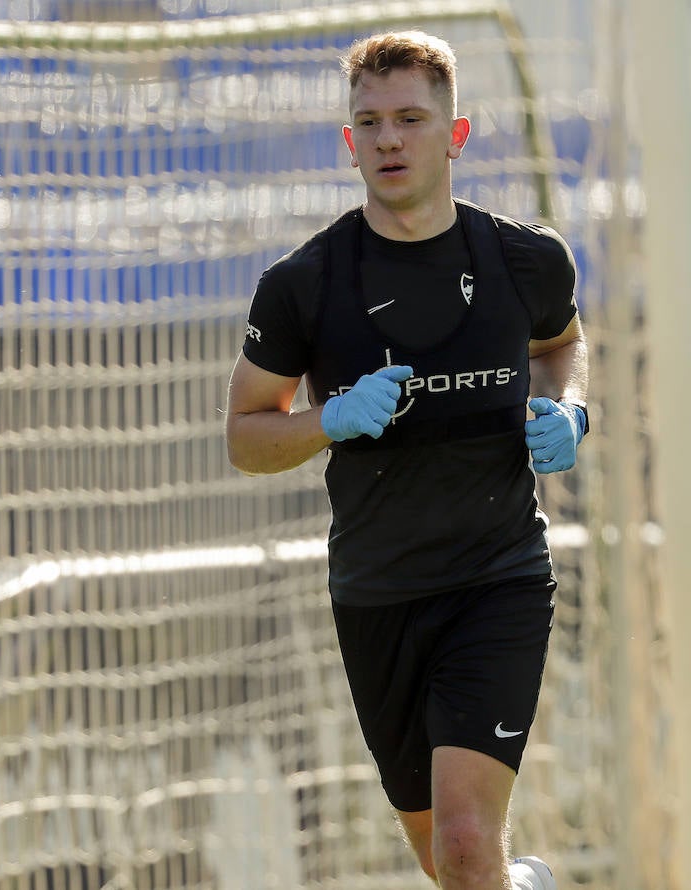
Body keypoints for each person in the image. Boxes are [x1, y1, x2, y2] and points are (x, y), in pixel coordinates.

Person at [224, 30, 588, 890]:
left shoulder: (527, 258)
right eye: (371, 122)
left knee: (466, 846)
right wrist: (330, 419)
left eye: (412, 118)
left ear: (454, 136)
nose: (390, 138)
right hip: (378, 597)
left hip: (498, 579)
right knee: (451, 866)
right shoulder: (302, 284)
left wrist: (572, 408)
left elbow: (563, 344)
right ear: (349, 142)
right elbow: (245, 436)